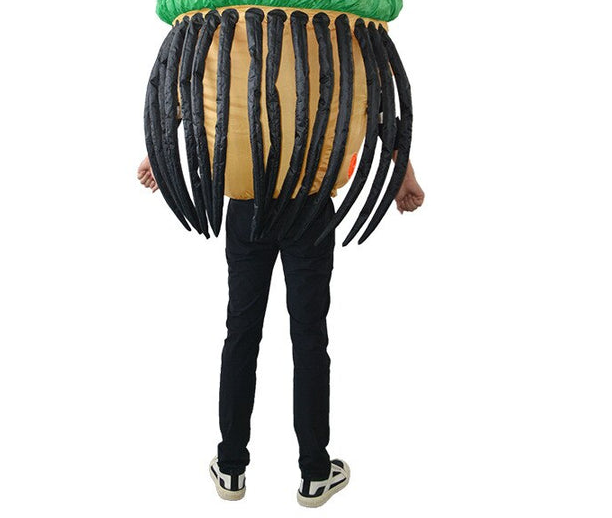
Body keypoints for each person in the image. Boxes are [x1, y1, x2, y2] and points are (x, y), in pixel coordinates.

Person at [137, 153, 424, 506]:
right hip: (310, 205)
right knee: (310, 338)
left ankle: (230, 466)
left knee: (241, 334)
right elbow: (377, 118)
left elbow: (204, 115)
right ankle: (315, 473)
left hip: (248, 204)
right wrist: (404, 176)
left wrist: (157, 155)